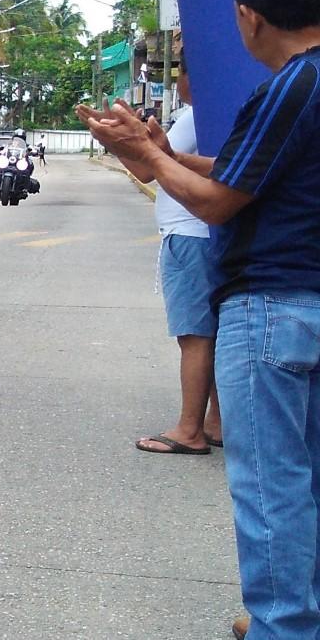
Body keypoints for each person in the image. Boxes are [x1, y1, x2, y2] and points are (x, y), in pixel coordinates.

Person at [77, 0, 320, 640]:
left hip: (271, 306)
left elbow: (217, 202)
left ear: (249, 15)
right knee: (303, 479)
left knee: (271, 486)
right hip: (303, 303)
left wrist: (147, 158)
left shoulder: (292, 84)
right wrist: (162, 150)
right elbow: (243, 169)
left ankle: (283, 627)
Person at [111, 55, 221, 456]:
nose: (177, 83)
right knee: (210, 334)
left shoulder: (195, 118)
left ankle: (189, 429)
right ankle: (215, 421)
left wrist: (116, 140)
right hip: (203, 233)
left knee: (195, 335)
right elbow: (151, 166)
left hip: (189, 235)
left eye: (180, 74)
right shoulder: (216, 114)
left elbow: (150, 167)